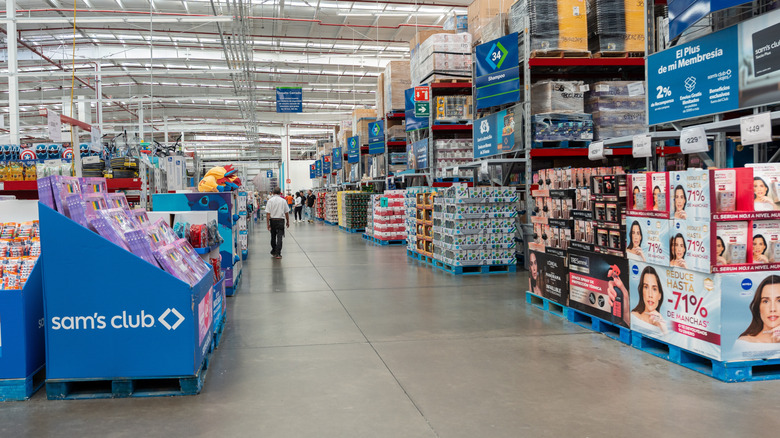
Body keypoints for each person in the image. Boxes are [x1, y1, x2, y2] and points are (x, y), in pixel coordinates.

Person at [738, 275, 780, 343]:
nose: (772, 308)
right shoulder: (745, 343)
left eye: (779, 301)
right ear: (758, 307)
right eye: (765, 301)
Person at [631, 266, 666, 334]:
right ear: (642, 291)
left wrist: (662, 327)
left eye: (654, 289)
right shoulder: (633, 317)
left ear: (660, 295)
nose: (650, 294)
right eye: (646, 287)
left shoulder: (663, 326)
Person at [266, 187, 290, 259]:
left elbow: (268, 214)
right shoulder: (283, 201)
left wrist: (268, 224)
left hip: (272, 220)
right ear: (280, 193)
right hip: (280, 220)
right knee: (280, 237)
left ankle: (274, 250)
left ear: (273, 192)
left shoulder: (270, 201)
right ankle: (278, 253)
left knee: (273, 237)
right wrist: (287, 221)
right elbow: (286, 212)